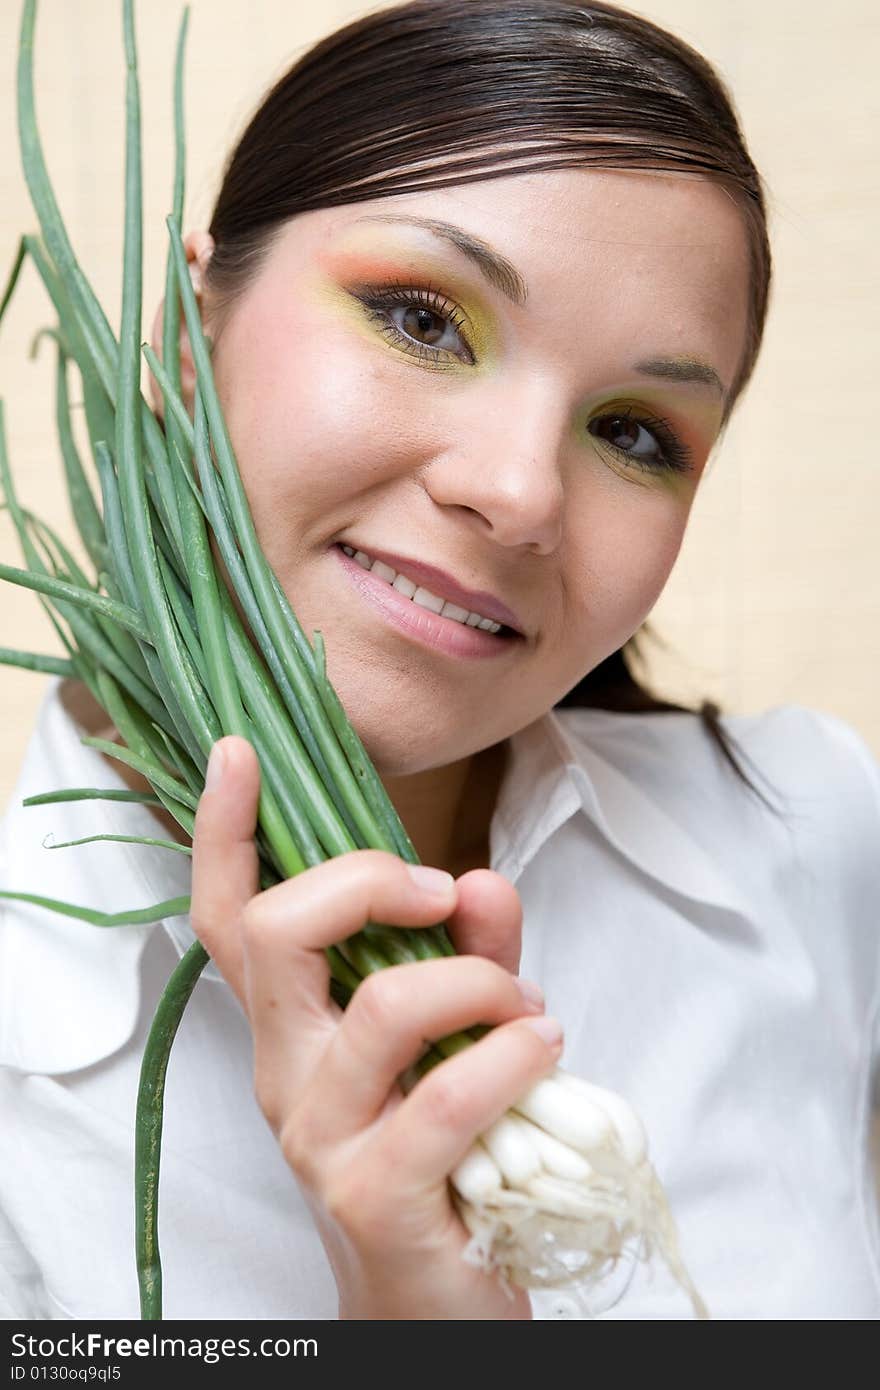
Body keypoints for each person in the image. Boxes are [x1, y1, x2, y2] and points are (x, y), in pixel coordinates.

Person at [1, 0, 879, 1321]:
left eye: (636, 433)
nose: (521, 493)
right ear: (190, 343)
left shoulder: (810, 829)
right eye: (422, 319)